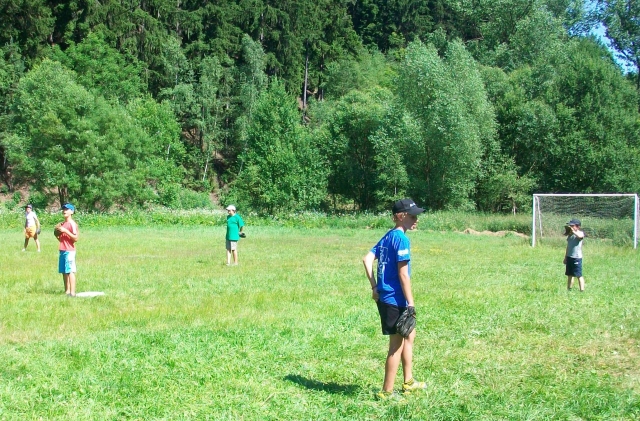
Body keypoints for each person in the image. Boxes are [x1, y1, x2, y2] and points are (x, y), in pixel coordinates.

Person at [363, 198, 427, 400]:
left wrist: (375, 286)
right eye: (413, 216)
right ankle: (386, 392)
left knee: (410, 334)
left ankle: (408, 382)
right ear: (401, 216)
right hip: (394, 299)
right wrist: (411, 303)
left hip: (386, 297)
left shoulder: (388, 236)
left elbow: (367, 259)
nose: (416, 219)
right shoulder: (401, 239)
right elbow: (403, 275)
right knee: (396, 346)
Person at [55, 203, 79, 297]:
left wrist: (65, 231)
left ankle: (72, 293)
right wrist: (56, 235)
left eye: (67, 209)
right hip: (62, 249)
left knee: (70, 271)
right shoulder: (62, 224)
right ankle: (67, 291)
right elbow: (62, 239)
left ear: (72, 212)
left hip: (70, 251)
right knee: (64, 271)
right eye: (64, 209)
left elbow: (76, 238)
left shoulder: (72, 224)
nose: (64, 211)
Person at [564, 218, 585, 292]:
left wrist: (573, 231)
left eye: (572, 226)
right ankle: (569, 289)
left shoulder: (580, 233)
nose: (571, 227)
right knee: (570, 275)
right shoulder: (570, 235)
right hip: (570, 257)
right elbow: (568, 247)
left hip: (577, 258)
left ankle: (582, 290)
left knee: (579, 275)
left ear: (578, 226)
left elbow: (580, 237)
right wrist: (565, 257)